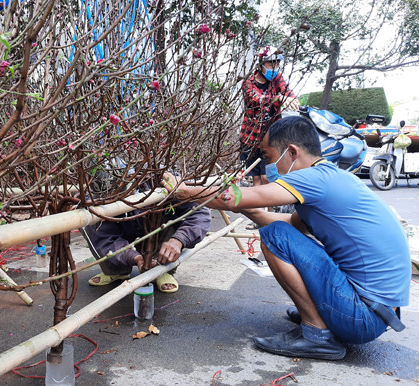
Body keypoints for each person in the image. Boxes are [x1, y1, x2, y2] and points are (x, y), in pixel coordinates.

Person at [163, 115, 410, 360]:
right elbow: (291, 225)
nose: (269, 167)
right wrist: (249, 209)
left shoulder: (312, 179)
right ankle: (322, 315)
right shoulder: (330, 178)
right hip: (376, 312)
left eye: (269, 158)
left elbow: (230, 197)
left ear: (291, 152)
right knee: (280, 233)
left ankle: (318, 335)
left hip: (363, 317)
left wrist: (181, 190)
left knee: (274, 236)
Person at [83, 201, 211, 293]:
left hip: (159, 232)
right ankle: (115, 269)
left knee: (172, 215)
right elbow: (104, 237)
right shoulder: (101, 189)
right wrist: (134, 257)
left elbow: (200, 213)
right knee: (88, 219)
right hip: (124, 230)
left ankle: (163, 268)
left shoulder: (164, 179)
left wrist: (179, 239)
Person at [240, 46, 300, 191]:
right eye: (271, 64)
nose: (275, 68)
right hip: (251, 136)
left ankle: (270, 209)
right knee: (255, 177)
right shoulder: (248, 82)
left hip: (272, 135)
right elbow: (256, 99)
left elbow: (287, 91)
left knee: (269, 176)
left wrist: (291, 99)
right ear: (261, 65)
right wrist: (279, 99)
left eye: (277, 64)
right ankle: (258, 210)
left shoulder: (277, 78)